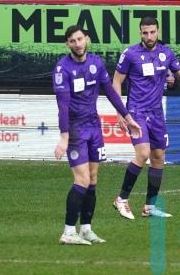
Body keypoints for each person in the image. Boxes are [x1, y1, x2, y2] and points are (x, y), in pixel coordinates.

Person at [112, 17, 180, 220]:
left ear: (158, 31)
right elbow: (116, 82)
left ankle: (150, 207)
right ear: (140, 33)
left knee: (158, 157)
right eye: (145, 33)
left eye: (152, 32)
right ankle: (121, 199)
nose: (149, 36)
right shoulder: (130, 54)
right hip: (136, 112)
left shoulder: (166, 53)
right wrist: (120, 112)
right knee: (143, 153)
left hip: (156, 113)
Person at [53, 25, 142, 245]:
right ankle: (68, 232)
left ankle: (85, 229)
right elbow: (62, 106)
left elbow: (111, 91)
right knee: (81, 179)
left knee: (92, 180)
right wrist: (64, 137)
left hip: (94, 126)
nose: (77, 44)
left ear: (87, 40)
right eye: (72, 41)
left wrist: (127, 117)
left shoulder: (96, 63)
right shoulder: (62, 69)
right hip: (75, 129)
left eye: (80, 39)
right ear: (67, 45)